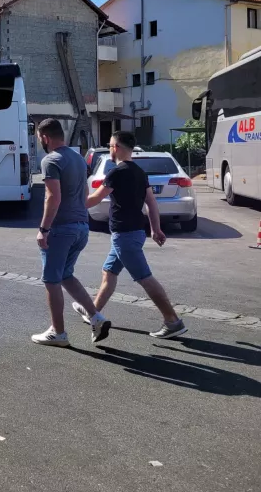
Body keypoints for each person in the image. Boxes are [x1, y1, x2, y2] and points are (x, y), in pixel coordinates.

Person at [78, 131, 187, 339]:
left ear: (116, 148)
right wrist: (155, 229)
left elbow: (92, 201)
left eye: (110, 146)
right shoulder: (139, 172)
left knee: (145, 278)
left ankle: (172, 321)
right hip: (135, 232)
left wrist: (72, 199)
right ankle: (93, 312)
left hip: (124, 235)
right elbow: (151, 203)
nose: (109, 149)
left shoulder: (116, 173)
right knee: (109, 273)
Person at [32, 118, 109, 347]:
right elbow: (84, 195)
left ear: (45, 137)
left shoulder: (50, 160)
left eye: (39, 139)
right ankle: (96, 317)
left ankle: (58, 332)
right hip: (81, 227)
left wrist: (43, 229)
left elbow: (52, 197)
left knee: (52, 280)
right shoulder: (78, 159)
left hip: (61, 228)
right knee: (65, 274)